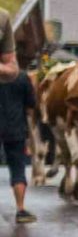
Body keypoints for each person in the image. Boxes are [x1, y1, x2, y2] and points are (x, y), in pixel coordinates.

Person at [0, 64, 36, 223]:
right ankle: (20, 210)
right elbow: (30, 106)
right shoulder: (21, 76)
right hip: (15, 128)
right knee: (18, 169)